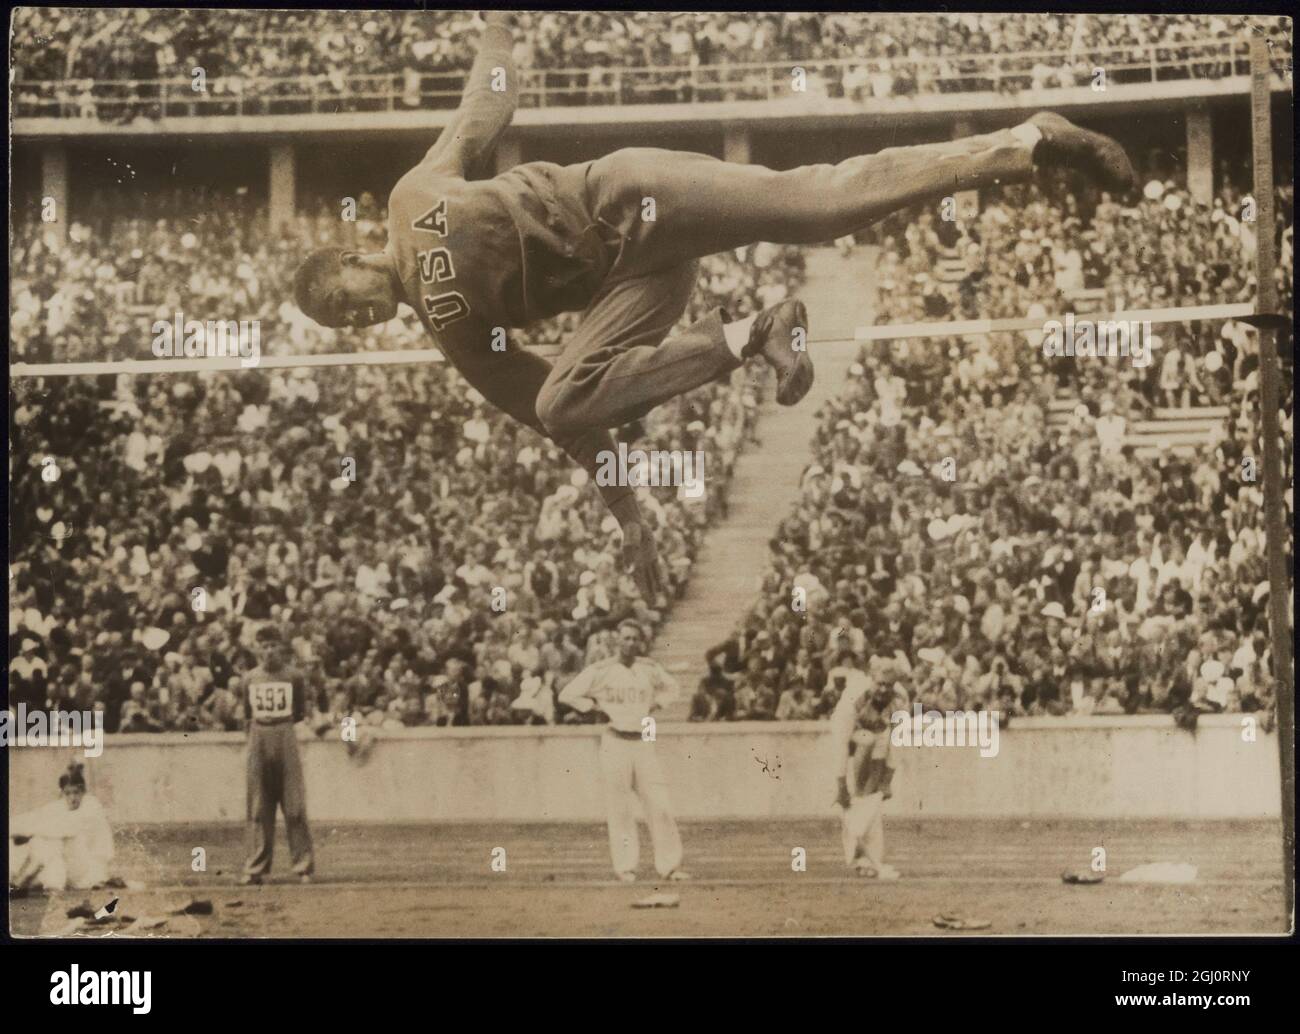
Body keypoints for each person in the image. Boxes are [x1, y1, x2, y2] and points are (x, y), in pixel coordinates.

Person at [292, 12, 1136, 600]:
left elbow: (483, 111)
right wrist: (631, 519)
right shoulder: (457, 335)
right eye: (351, 324)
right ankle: (756, 331)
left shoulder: (412, 197)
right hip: (637, 287)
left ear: (360, 255)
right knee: (556, 398)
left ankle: (1033, 139)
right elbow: (565, 419)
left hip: (630, 198)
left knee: (822, 205)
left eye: (351, 299)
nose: (365, 317)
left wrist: (500, 25)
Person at [558, 619, 689, 882]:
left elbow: (673, 688)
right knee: (620, 808)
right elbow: (567, 694)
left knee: (659, 804)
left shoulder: (649, 668)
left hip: (642, 742)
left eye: (634, 639)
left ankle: (669, 866)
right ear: (617, 640)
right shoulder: (601, 670)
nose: (630, 643)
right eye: (625, 638)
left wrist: (656, 704)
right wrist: (594, 707)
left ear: (640, 642)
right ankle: (625, 867)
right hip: (615, 741)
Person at [240, 627, 315, 885]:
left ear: (281, 648)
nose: (269, 651)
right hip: (258, 734)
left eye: (273, 645)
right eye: (264, 646)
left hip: (284, 732)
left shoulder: (294, 676)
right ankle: (256, 868)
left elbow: (299, 712)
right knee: (259, 806)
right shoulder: (250, 678)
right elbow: (247, 713)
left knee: (294, 805)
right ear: (258, 649)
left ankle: (303, 866)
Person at [827, 676, 899, 879]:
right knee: (856, 799)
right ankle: (863, 855)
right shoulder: (850, 704)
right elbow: (841, 746)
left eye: (889, 684)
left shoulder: (898, 702)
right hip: (852, 739)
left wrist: (887, 780)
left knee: (871, 796)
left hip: (876, 739)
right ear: (872, 681)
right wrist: (841, 785)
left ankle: (868, 859)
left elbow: (896, 743)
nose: (884, 689)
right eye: (880, 683)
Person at [10, 762, 114, 894]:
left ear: (83, 792)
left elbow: (66, 828)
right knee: (37, 841)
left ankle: (21, 884)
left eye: (76, 792)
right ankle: (18, 882)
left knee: (47, 840)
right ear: (63, 793)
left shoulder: (92, 806)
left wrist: (28, 833)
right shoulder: (60, 805)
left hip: (89, 870)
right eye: (68, 793)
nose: (72, 797)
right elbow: (35, 816)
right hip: (70, 866)